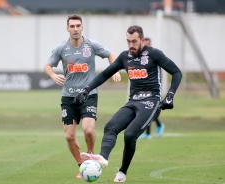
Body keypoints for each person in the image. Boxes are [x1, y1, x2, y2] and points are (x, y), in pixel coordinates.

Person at [74, 25, 182, 182]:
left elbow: (177, 72)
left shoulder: (154, 54)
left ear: (142, 40)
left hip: (151, 101)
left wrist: (170, 95)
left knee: (130, 134)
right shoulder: (125, 57)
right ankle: (102, 158)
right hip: (133, 101)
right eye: (128, 41)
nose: (131, 45)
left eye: (134, 41)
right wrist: (86, 90)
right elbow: (105, 74)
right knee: (110, 127)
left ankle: (122, 172)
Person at [43, 14, 121, 179]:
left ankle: (91, 155)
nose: (75, 29)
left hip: (88, 94)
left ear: (82, 27)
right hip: (68, 98)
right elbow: (48, 65)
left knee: (88, 130)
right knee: (69, 136)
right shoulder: (61, 48)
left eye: (78, 26)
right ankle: (82, 165)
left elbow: (110, 54)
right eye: (72, 26)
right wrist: (53, 76)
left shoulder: (91, 45)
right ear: (67, 29)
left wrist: (114, 70)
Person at [139, 37, 165, 139]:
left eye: (148, 43)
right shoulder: (141, 56)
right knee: (146, 109)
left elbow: (158, 72)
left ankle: (152, 130)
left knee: (149, 109)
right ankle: (151, 131)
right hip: (144, 87)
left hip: (153, 88)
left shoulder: (154, 55)